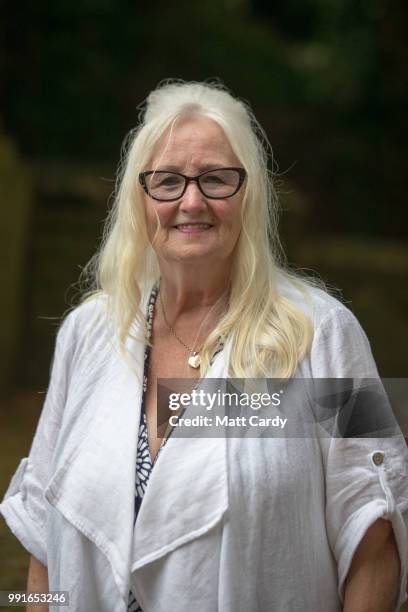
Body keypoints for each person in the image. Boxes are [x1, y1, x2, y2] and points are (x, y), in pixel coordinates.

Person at [1, 80, 407, 612]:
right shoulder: (88, 333)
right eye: (167, 181)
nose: (192, 201)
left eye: (216, 179)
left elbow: (377, 528)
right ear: (140, 200)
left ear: (249, 194)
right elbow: (43, 539)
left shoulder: (328, 333)